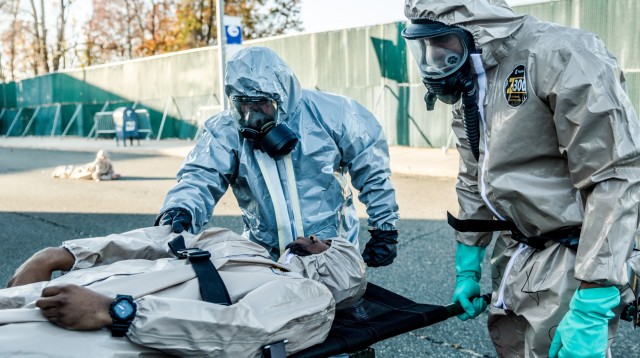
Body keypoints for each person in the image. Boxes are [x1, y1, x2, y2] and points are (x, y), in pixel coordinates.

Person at [402, 0, 640, 357]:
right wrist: (468, 263)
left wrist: (594, 297)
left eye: (440, 42)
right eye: (424, 45)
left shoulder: (562, 55)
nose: (433, 56)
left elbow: (614, 174)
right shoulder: (475, 78)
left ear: (475, 27)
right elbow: (474, 173)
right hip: (516, 253)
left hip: (575, 260)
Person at [155, 46, 400, 267]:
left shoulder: (333, 115)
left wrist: (384, 228)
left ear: (282, 97)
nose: (251, 114)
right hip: (264, 256)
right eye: (242, 104)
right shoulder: (226, 132)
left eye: (261, 103)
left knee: (337, 312)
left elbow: (372, 168)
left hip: (328, 250)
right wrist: (180, 210)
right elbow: (199, 177)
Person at [1, 225, 366, 357]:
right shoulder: (242, 246)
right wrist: (62, 254)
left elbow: (240, 330)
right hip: (82, 290)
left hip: (112, 334)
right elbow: (158, 240)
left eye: (326, 244)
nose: (314, 236)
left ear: (336, 269)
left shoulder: (309, 295)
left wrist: (116, 312)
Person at [52, 150, 121, 181]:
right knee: (71, 171)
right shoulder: (97, 164)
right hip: (84, 171)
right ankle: (57, 171)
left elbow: (110, 171)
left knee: (72, 170)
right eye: (103, 158)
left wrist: (113, 175)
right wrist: (110, 177)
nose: (105, 159)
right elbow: (96, 177)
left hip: (87, 170)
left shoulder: (108, 164)